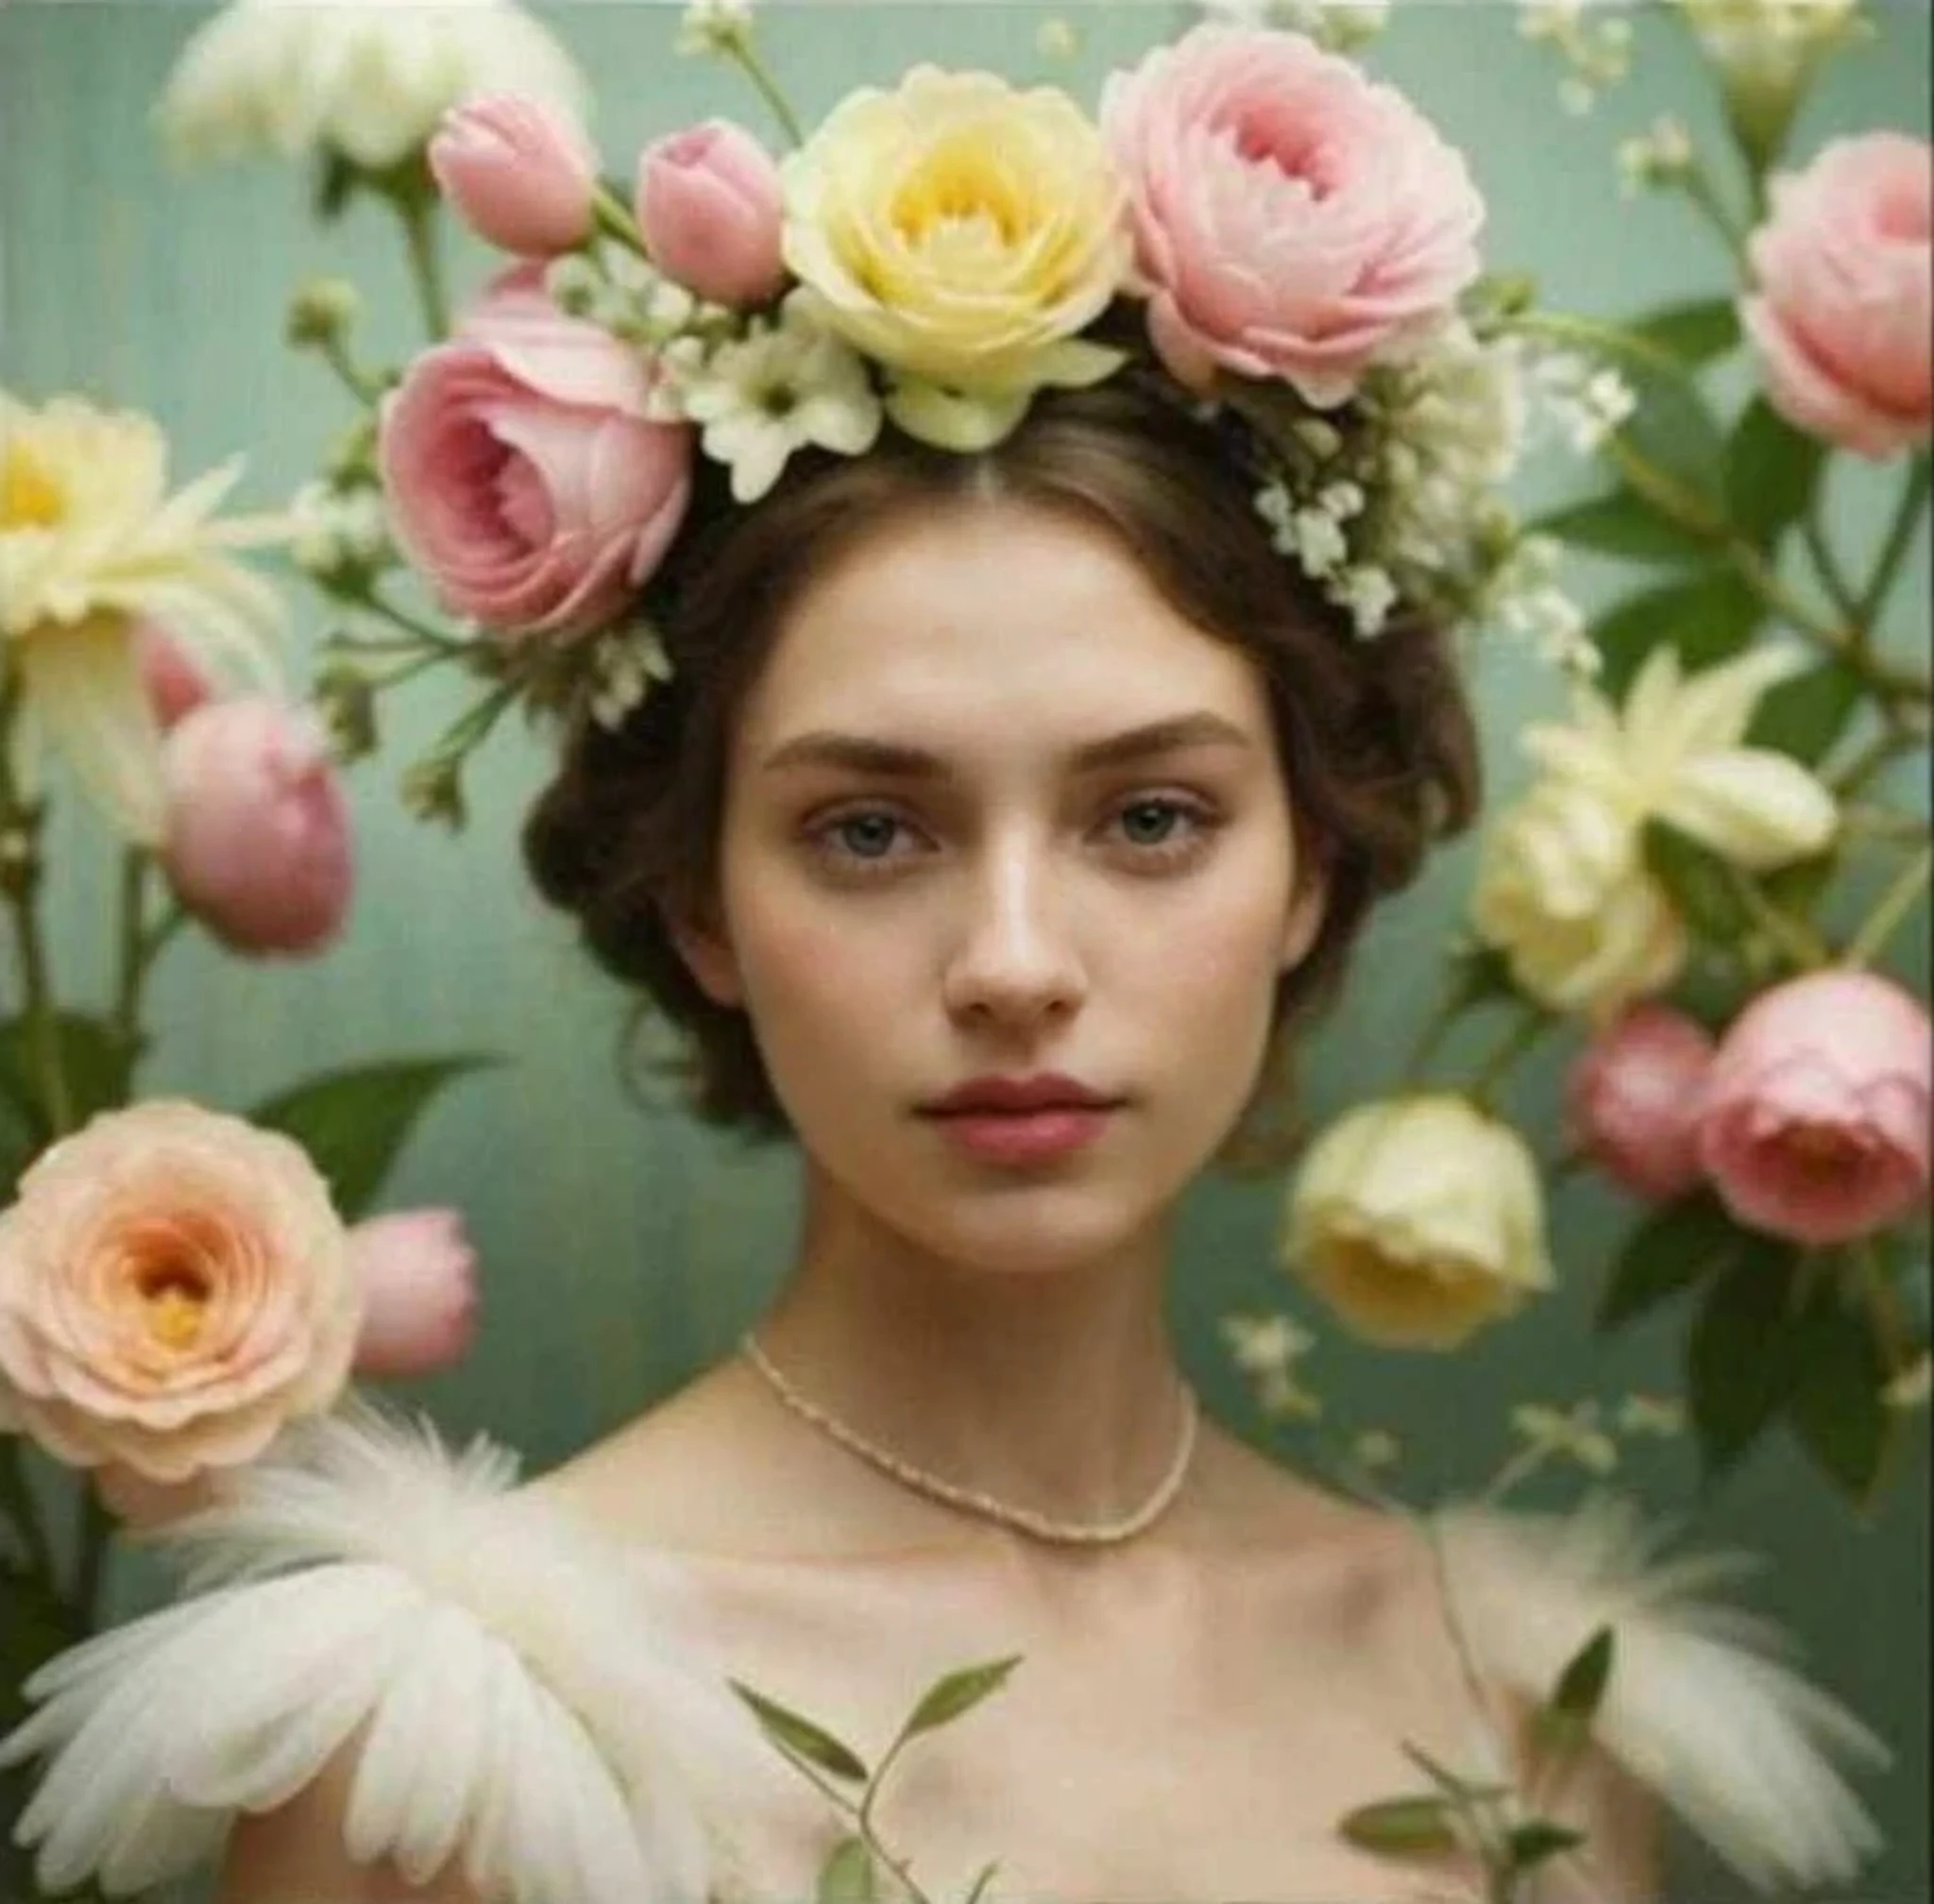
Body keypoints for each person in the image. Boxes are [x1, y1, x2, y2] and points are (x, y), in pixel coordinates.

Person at [0, 21, 1892, 1904]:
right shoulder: (453, 1754)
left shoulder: (1519, 1718)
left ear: (1314, 862)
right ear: (699, 907)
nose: (1010, 965)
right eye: (870, 830)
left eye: (1149, 818)